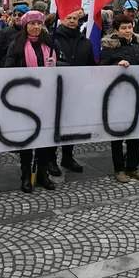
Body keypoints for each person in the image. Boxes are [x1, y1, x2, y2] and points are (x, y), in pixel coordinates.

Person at [5, 10, 63, 192]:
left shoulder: (51, 43)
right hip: (26, 100)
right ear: (25, 26)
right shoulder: (17, 45)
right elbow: (8, 70)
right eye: (32, 24)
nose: (36, 27)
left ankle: (42, 173)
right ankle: (25, 175)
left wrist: (57, 64)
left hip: (47, 98)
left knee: (45, 138)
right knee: (27, 139)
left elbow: (67, 67)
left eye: (39, 23)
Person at [99, 14, 139, 183]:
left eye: (130, 27)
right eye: (124, 28)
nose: (128, 30)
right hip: (116, 97)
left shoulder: (138, 43)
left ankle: (132, 167)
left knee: (135, 133)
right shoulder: (109, 47)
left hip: (136, 96)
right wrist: (116, 66)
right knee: (117, 134)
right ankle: (119, 169)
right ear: (116, 30)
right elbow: (101, 68)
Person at [52, 10, 94, 173]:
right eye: (68, 18)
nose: (72, 21)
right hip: (56, 89)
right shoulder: (53, 38)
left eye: (75, 18)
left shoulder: (85, 41)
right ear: (62, 19)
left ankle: (67, 157)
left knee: (71, 125)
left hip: (78, 90)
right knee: (54, 126)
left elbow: (91, 64)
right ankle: (51, 159)